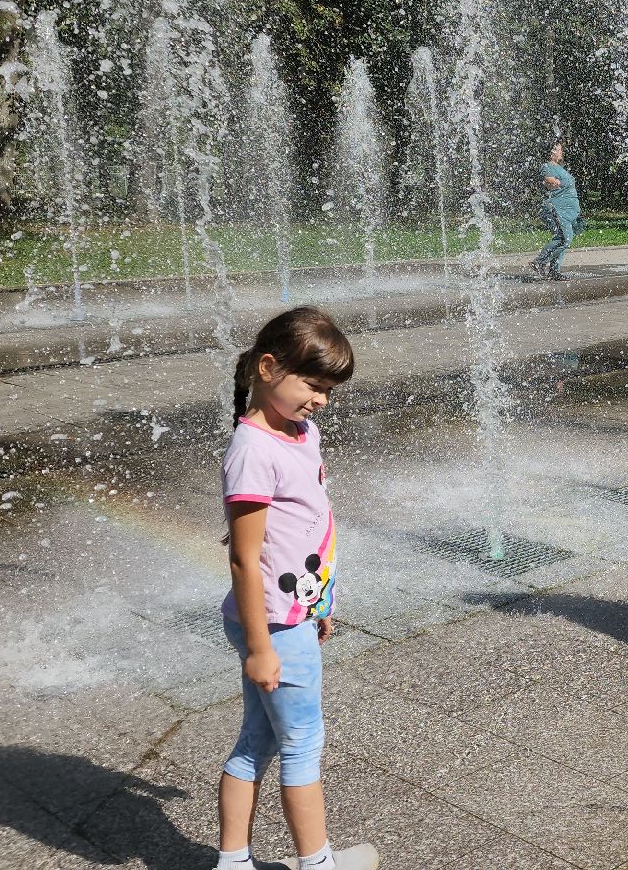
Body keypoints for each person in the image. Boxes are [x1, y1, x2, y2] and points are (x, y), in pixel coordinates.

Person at [215, 307, 377, 870]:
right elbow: (245, 558)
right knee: (303, 745)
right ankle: (319, 864)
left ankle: (232, 863)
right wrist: (262, 647)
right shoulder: (254, 451)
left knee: (257, 742)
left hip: (291, 614)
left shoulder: (298, 431)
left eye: (329, 390)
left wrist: (317, 603)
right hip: (273, 626)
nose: (322, 401)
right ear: (268, 367)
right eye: (313, 385)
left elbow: (304, 528)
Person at [530, 140, 580, 281]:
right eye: (558, 149)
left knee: (563, 238)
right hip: (557, 209)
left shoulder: (559, 167)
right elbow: (547, 180)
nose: (561, 152)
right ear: (552, 152)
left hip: (567, 211)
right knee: (565, 238)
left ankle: (554, 271)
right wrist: (552, 182)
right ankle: (539, 261)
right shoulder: (547, 166)